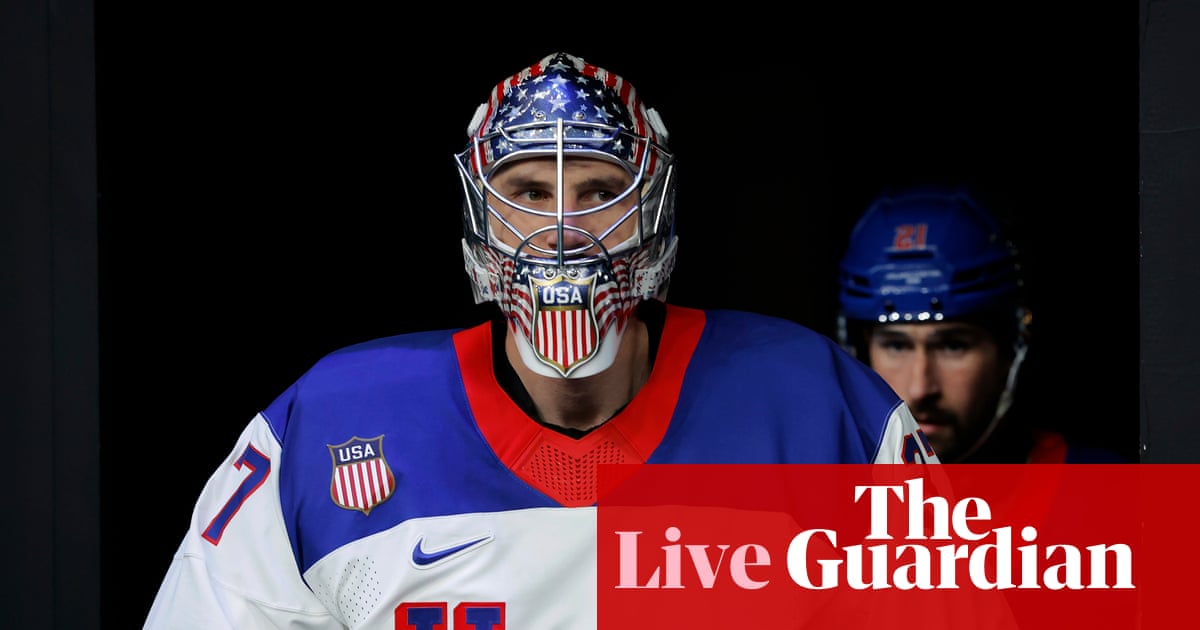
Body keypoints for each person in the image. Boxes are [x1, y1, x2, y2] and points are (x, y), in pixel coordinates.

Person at [143, 52, 938, 629]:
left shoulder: (819, 407)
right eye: (527, 192)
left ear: (652, 213)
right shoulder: (324, 426)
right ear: (481, 216)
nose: (562, 234)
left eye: (598, 192)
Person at [835, 183, 1129, 463]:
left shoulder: (1103, 494)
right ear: (860, 352)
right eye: (897, 345)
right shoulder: (819, 495)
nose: (920, 388)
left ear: (1009, 351)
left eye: (953, 346)